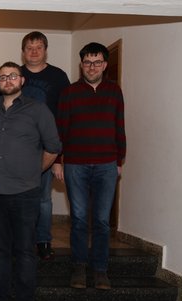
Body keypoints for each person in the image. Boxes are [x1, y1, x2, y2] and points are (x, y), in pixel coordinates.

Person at [0, 62, 61, 301]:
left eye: (13, 76)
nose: (7, 80)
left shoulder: (38, 110)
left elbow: (54, 147)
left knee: (25, 250)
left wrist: (34, 172)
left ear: (22, 80)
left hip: (26, 192)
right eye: (3, 77)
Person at [55, 42, 126, 291]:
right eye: (87, 62)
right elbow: (60, 130)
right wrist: (56, 161)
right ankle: (78, 267)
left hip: (107, 164)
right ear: (81, 64)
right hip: (75, 164)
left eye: (97, 62)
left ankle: (100, 270)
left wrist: (119, 161)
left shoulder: (115, 92)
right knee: (79, 219)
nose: (92, 67)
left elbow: (119, 127)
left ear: (105, 65)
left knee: (102, 221)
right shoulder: (69, 93)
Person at [20, 31, 71, 260]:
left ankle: (42, 240)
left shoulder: (58, 77)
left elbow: (66, 117)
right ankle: (21, 240)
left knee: (43, 199)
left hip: (47, 150)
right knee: (18, 199)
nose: (33, 51)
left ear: (45, 50)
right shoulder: (15, 74)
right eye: (29, 47)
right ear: (23, 51)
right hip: (18, 149)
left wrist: (58, 158)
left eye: (38, 47)